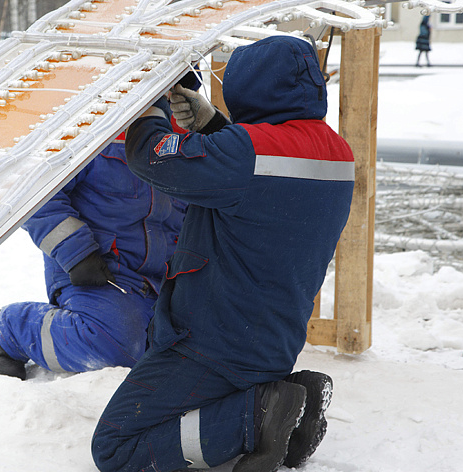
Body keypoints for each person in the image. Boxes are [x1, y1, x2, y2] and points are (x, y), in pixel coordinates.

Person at [91, 35, 354, 472]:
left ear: (248, 88)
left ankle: (257, 416)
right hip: (273, 340)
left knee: (116, 448)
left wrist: (147, 103)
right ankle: (288, 404)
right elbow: (263, 182)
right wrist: (213, 125)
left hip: (212, 346)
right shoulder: (336, 152)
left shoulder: (245, 154)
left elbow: (151, 157)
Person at [0, 137, 187, 380]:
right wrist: (78, 253)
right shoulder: (89, 129)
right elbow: (35, 193)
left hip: (166, 277)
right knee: (118, 345)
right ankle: (17, 328)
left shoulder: (183, 133)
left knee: (199, 345)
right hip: (100, 273)